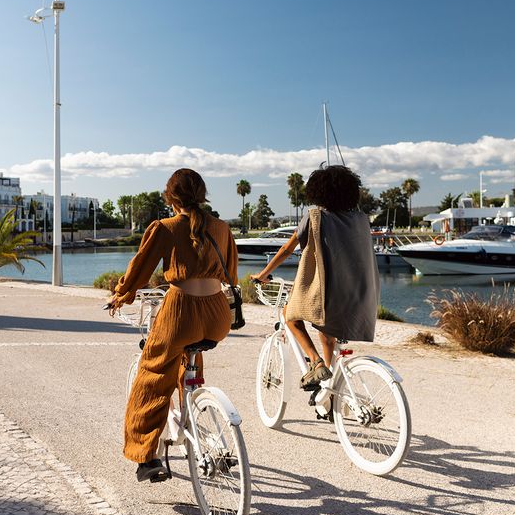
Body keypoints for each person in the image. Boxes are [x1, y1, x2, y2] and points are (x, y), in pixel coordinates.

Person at [108, 168, 238, 483]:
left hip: (182, 311)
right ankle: (194, 411)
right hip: (218, 315)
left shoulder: (165, 227)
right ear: (202, 194)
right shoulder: (221, 228)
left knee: (152, 377)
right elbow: (231, 274)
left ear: (171, 197)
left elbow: (140, 268)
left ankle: (146, 456)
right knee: (190, 354)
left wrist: (121, 295)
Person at [253, 165, 379, 389]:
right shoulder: (360, 219)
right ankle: (329, 390)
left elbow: (286, 250)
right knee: (326, 332)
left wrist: (263, 274)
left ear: (317, 192)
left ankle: (316, 361)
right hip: (360, 294)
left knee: (289, 315)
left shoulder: (315, 217)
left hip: (329, 293)